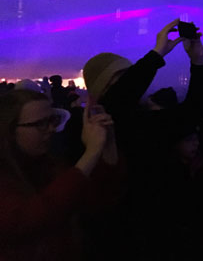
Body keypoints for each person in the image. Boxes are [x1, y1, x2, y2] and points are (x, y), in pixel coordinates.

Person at [82, 19, 203, 259]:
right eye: (119, 78)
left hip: (162, 228)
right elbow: (118, 101)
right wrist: (157, 54)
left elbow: (193, 110)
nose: (130, 82)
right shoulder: (91, 127)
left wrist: (198, 61)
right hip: (121, 235)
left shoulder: (144, 120)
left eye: (129, 75)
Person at [0, 89, 120, 260]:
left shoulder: (49, 165)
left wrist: (108, 145)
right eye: (40, 124)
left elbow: (96, 200)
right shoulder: (5, 174)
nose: (51, 130)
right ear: (9, 131)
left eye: (53, 120)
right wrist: (91, 153)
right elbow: (29, 219)